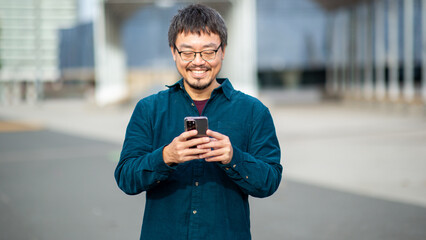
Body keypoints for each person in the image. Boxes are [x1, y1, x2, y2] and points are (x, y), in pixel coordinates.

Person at [114, 4, 282, 240]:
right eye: (188, 52)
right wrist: (166, 156)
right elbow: (125, 178)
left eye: (208, 51)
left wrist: (234, 158)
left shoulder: (254, 111)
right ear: (174, 52)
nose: (198, 61)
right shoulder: (149, 109)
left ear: (223, 51)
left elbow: (270, 181)